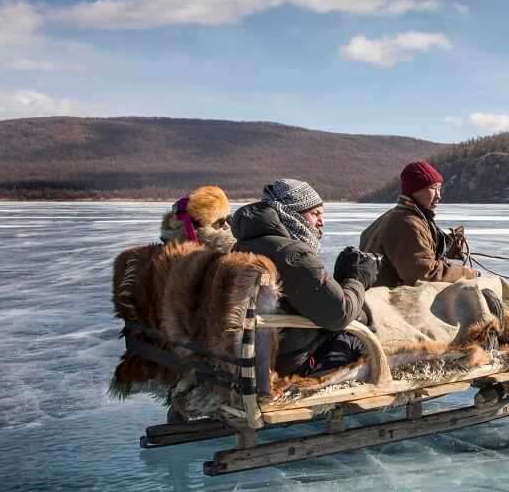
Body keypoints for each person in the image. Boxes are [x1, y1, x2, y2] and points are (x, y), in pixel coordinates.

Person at [231, 178, 379, 377]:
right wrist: (359, 277)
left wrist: (341, 279)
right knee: (363, 342)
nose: (321, 222)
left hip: (256, 357)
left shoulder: (246, 245)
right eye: (314, 213)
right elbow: (339, 314)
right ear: (290, 214)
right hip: (291, 365)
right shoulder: (292, 254)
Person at [360, 160, 479, 287]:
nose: (438, 195)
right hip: (386, 301)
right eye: (433, 188)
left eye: (439, 189)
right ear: (415, 190)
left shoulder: (397, 215)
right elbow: (423, 273)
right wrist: (468, 273)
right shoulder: (407, 223)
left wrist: (449, 246)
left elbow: (414, 251)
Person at [159, 185, 235, 252]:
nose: (227, 225)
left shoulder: (167, 244)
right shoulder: (226, 249)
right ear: (203, 223)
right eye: (221, 221)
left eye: (228, 219)